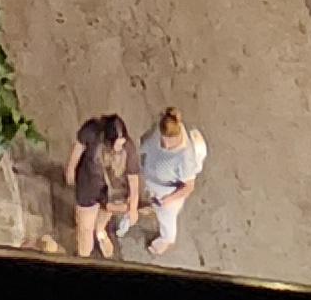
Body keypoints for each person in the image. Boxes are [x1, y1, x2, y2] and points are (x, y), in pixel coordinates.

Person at [133, 108, 208, 256]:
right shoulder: (159, 129)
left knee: (167, 218)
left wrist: (169, 200)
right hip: (150, 181)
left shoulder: (185, 157)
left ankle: (166, 239)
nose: (166, 145)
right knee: (152, 203)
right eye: (164, 139)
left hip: (167, 193)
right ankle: (152, 206)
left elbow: (189, 186)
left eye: (171, 141)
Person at [65, 112, 135, 259]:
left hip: (112, 192)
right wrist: (71, 168)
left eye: (123, 141)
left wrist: (133, 206)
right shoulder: (91, 131)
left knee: (104, 215)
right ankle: (84, 252)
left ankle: (100, 231)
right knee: (85, 227)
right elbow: (78, 147)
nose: (121, 146)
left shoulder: (127, 147)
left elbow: (133, 176)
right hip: (89, 187)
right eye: (117, 142)